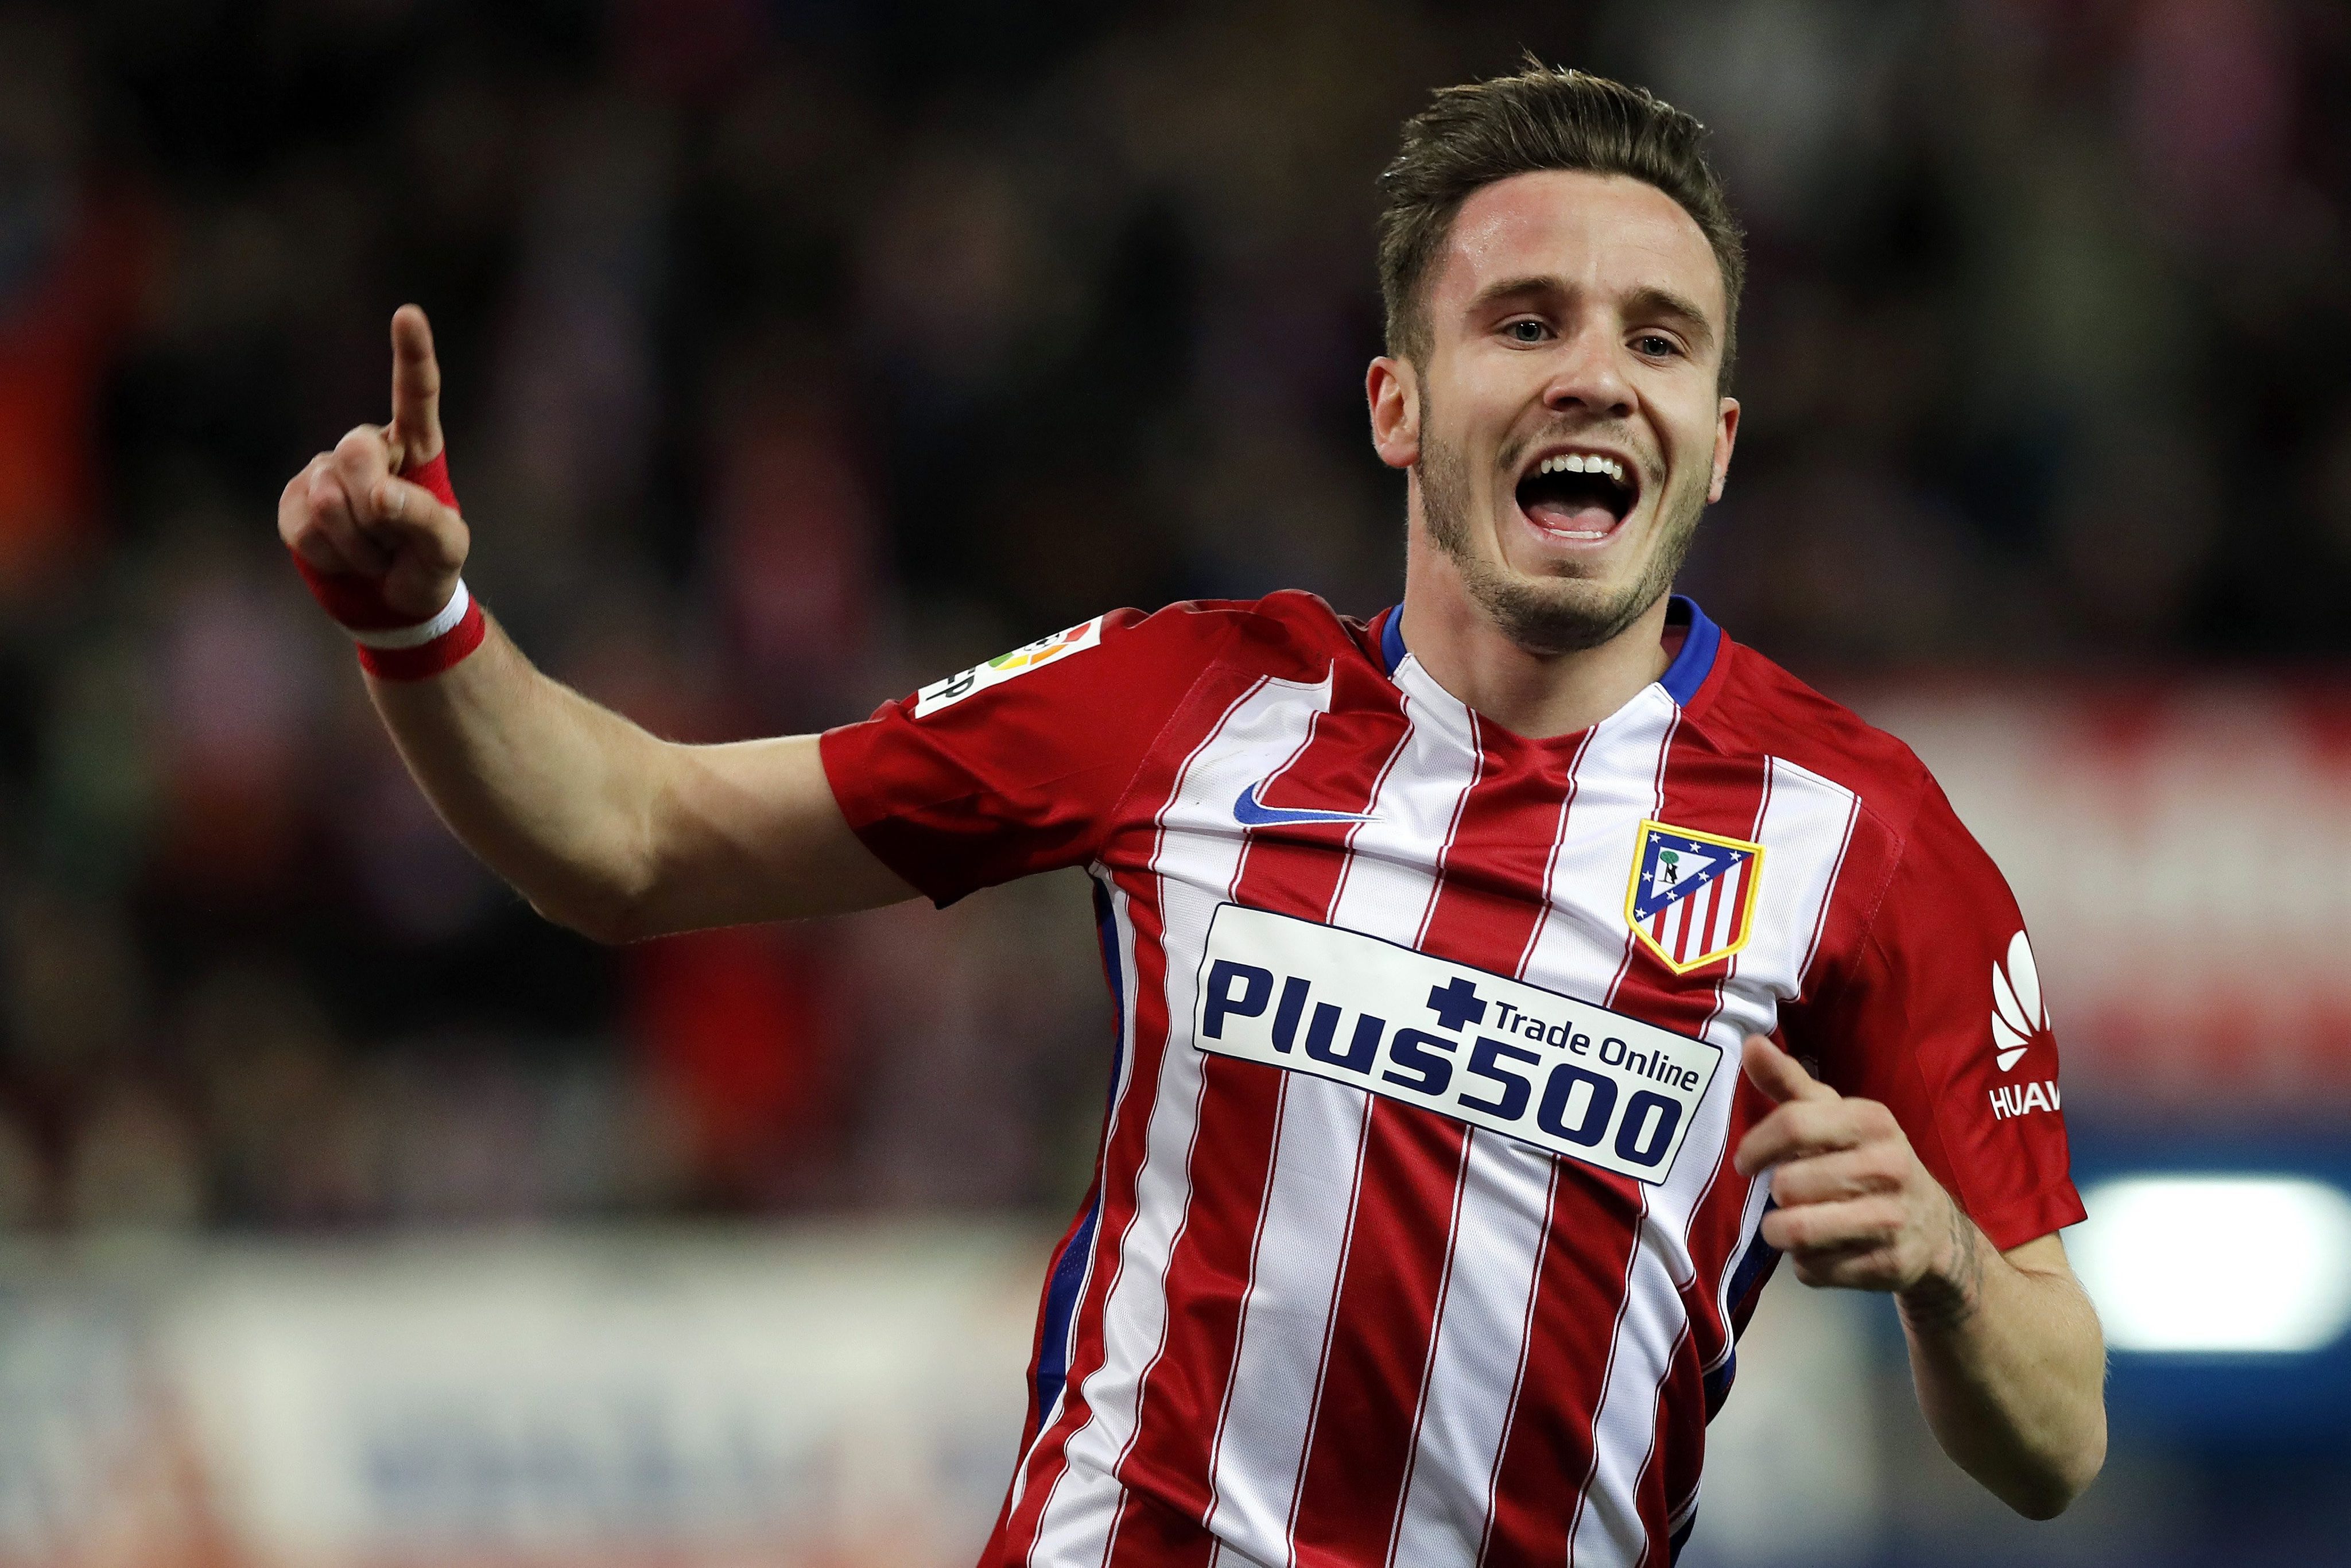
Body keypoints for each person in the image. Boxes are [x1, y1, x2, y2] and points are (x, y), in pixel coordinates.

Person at [276, 63, 2104, 1568]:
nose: (1591, 374)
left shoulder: (1864, 836)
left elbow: (2056, 1437)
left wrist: (1947, 1265)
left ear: (1713, 436)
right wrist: (421, 623)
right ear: (1398, 403)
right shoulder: (1194, 701)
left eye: (1658, 336)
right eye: (1524, 321)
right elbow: (639, 840)